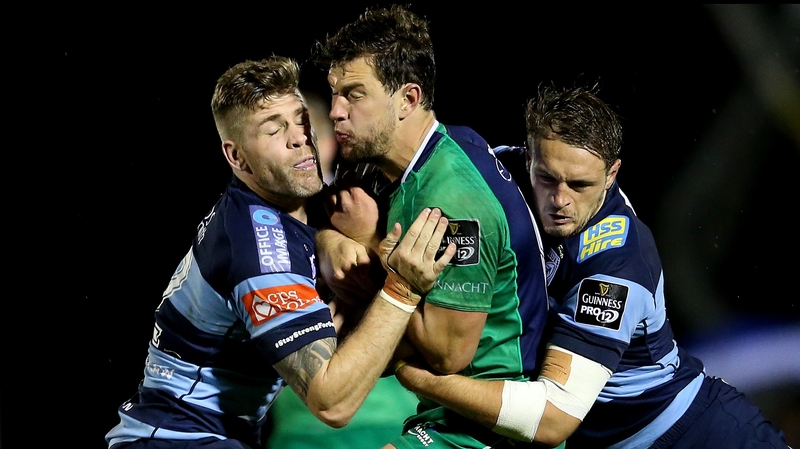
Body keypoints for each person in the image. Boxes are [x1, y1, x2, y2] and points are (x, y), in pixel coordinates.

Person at [392, 83, 790, 448]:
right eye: (548, 178)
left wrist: (419, 376)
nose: (560, 199)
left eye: (579, 185)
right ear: (527, 155)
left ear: (611, 174)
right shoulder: (496, 175)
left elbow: (552, 419)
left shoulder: (616, 264)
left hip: (692, 435)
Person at [104, 55, 457, 449]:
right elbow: (332, 403)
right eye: (274, 130)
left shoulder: (305, 205)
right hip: (178, 439)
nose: (298, 137)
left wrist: (331, 239)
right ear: (236, 157)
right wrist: (401, 290)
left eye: (301, 120)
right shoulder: (259, 252)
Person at [311, 5, 551, 449]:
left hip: (488, 427)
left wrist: (368, 247)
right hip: (442, 416)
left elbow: (446, 355)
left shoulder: (453, 200)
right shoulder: (413, 157)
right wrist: (330, 243)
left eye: (354, 94)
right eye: (334, 94)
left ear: (408, 99)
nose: (336, 112)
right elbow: (321, 219)